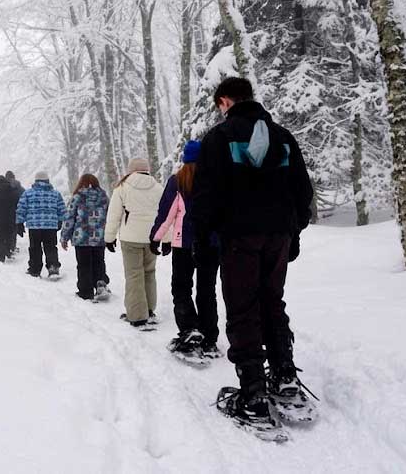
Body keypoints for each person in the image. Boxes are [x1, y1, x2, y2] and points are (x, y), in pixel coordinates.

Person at [192, 77, 313, 430]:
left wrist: (203, 241)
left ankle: (254, 394)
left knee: (243, 307)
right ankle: (285, 378)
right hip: (278, 235)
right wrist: (294, 231)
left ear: (225, 101)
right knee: (272, 302)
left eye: (219, 104)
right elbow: (302, 190)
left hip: (238, 237)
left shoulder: (218, 139)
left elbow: (205, 197)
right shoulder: (283, 136)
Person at [151, 140, 219, 360]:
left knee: (181, 288)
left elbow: (166, 214)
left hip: (185, 244)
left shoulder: (178, 181)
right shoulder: (215, 180)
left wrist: (156, 237)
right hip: (211, 244)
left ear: (185, 159)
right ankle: (209, 338)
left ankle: (189, 330)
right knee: (207, 290)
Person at [104, 158, 163, 328]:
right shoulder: (158, 188)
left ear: (131, 170)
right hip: (152, 237)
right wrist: (165, 239)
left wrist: (109, 238)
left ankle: (137, 315)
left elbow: (114, 214)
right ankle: (150, 310)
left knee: (134, 275)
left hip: (130, 238)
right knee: (149, 273)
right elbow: (165, 213)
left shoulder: (123, 187)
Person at [60, 174, 111, 300]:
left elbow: (69, 218)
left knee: (84, 265)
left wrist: (64, 237)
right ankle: (100, 285)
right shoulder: (104, 197)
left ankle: (85, 291)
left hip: (81, 237)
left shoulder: (78, 197)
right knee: (99, 262)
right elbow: (110, 216)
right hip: (99, 236)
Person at [15, 171, 67, 278]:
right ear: (48, 181)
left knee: (35, 248)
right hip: (50, 226)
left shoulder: (28, 193)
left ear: (36, 181)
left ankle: (35, 269)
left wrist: (19, 222)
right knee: (51, 247)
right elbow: (62, 209)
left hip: (34, 226)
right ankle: (53, 267)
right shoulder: (55, 194)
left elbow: (21, 209)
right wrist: (60, 220)